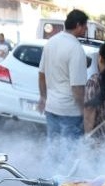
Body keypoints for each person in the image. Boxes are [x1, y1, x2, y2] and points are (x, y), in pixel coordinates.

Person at [39, 9, 90, 142]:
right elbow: (77, 88)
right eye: (85, 26)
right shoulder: (76, 48)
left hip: (51, 108)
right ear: (78, 25)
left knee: (54, 151)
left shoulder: (50, 42)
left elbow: (41, 74)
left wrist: (43, 98)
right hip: (70, 112)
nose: (86, 29)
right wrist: (84, 113)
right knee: (69, 156)